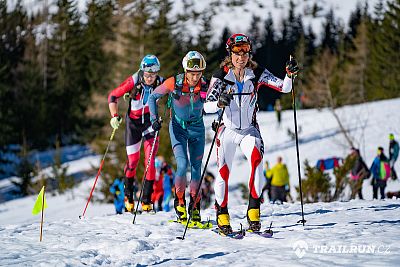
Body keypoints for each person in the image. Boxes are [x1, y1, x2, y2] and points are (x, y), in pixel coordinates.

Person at [204, 33, 298, 234]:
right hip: (227, 130)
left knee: (257, 161)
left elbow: (283, 87)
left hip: (249, 130)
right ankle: (222, 213)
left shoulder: (257, 73)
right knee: (223, 171)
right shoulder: (220, 76)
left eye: (245, 51)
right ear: (230, 54)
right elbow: (207, 106)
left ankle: (253, 212)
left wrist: (289, 74)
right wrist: (219, 102)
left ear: (249, 53)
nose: (241, 57)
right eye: (237, 52)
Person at [148, 51, 208, 222]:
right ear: (185, 70)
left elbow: (217, 103)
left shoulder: (205, 85)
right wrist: (154, 119)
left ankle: (195, 205)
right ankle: (180, 201)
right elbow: (153, 97)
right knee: (182, 165)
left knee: (197, 168)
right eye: (192, 73)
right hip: (178, 128)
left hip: (197, 129)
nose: (195, 77)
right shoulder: (174, 82)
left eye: (198, 73)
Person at [107, 55, 163, 213]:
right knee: (133, 161)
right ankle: (128, 197)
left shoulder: (161, 81)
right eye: (147, 74)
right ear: (142, 71)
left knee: (150, 160)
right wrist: (114, 116)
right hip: (134, 124)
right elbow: (112, 95)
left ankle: (146, 201)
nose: (150, 78)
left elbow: (175, 92)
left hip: (151, 124)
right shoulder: (134, 80)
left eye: (153, 74)